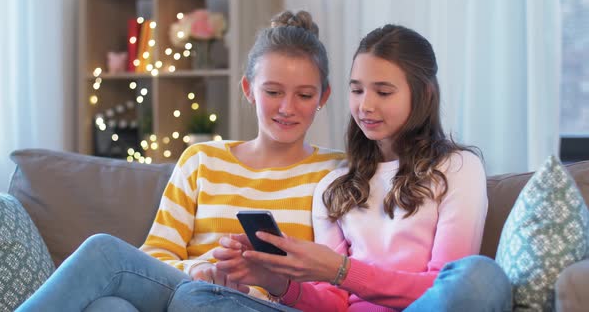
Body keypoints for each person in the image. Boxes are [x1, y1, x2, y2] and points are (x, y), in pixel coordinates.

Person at [16, 10, 345, 312]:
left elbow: (334, 281)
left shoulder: (337, 173)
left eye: (303, 95)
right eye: (273, 92)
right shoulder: (203, 160)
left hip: (266, 305)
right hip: (189, 292)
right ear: (248, 89)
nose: (287, 107)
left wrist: (260, 284)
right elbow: (156, 254)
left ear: (323, 97)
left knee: (104, 251)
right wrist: (199, 269)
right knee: (110, 308)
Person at [167, 24, 513, 312]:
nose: (365, 105)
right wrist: (274, 278)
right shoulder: (335, 184)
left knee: (479, 277)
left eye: (383, 91)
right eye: (357, 90)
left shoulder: (457, 168)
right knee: (194, 297)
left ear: (422, 94)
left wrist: (341, 271)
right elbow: (331, 302)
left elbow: (445, 285)